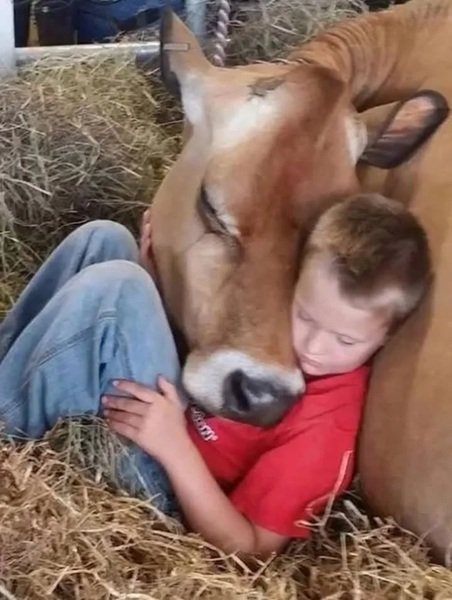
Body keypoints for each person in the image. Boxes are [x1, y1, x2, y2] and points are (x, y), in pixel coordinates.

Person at [0, 193, 431, 557]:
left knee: (119, 288)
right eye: (305, 316)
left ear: (386, 337)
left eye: (345, 340)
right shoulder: (275, 319)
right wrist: (156, 285)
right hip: (172, 419)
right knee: (104, 238)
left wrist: (175, 450)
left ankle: (6, 427)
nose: (314, 347)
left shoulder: (327, 426)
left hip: (169, 492)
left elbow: (251, 551)